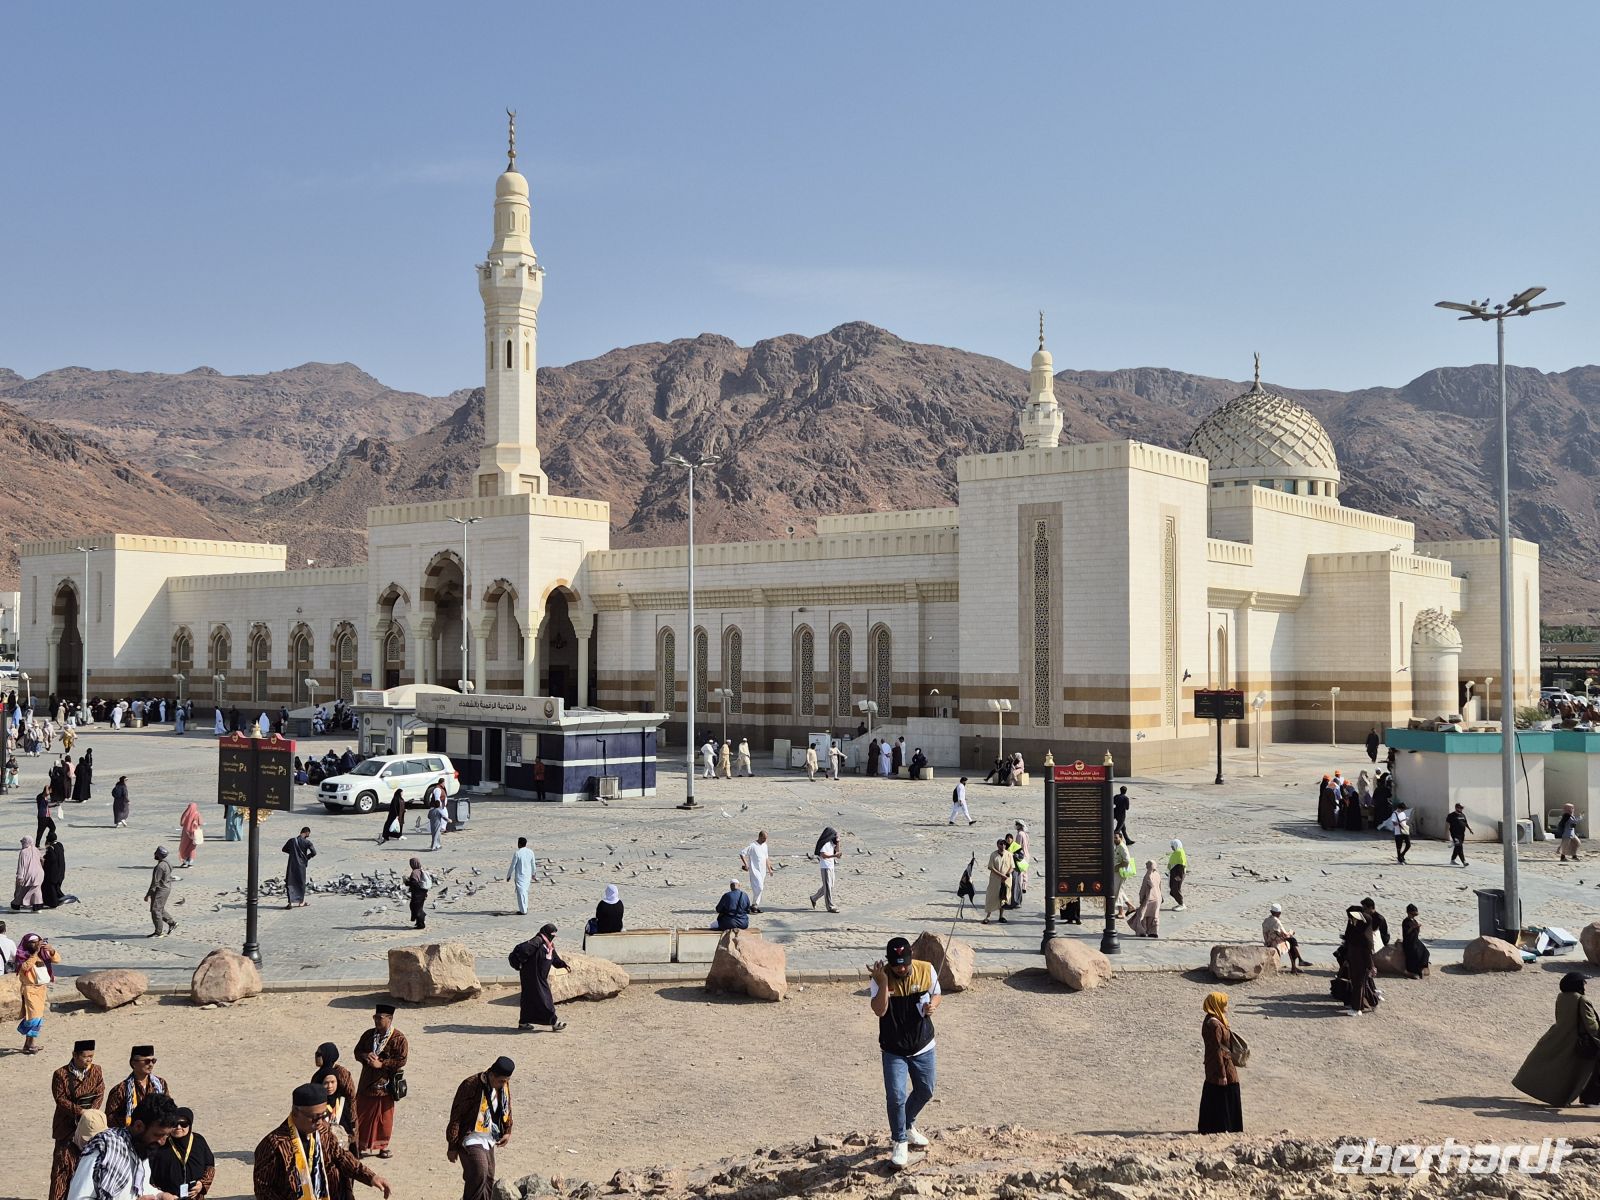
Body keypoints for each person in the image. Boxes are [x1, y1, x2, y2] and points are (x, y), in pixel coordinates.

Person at [869, 936, 941, 1168]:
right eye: (896, 964)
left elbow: (937, 993)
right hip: (893, 1048)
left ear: (912, 957)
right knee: (896, 1096)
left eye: (905, 963)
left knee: (926, 1090)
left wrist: (933, 1006)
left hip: (923, 1044)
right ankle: (899, 1140)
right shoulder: (880, 976)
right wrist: (882, 982)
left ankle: (908, 1125)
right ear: (889, 962)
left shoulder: (926, 969)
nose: (901, 968)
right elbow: (879, 1010)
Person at [254, 1083, 392, 1198]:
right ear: (295, 1112)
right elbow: (263, 1190)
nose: (320, 1122)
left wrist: (371, 1177)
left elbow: (342, 1157)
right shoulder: (274, 1145)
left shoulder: (323, 1131)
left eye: (323, 1115)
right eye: (315, 1117)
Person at [69, 1094, 181, 1200]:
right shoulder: (104, 1149)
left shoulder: (142, 1148)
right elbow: (77, 1197)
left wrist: (160, 1195)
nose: (162, 1142)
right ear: (138, 1126)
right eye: (158, 1135)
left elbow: (139, 1187)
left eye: (166, 1136)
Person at [1512, 973, 1600, 1107]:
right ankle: (1590, 1099)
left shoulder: (1562, 997)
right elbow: (1591, 1024)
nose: (1584, 986)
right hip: (1579, 1041)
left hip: (1559, 1036)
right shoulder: (1582, 1000)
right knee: (1589, 1069)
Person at [446, 1057, 515, 1200]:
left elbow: (506, 1107)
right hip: (470, 1135)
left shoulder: (503, 1086)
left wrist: (507, 1131)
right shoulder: (470, 1085)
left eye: (506, 1081)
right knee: (479, 1171)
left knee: (488, 1177)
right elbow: (456, 1116)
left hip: (489, 1136)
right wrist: (452, 1145)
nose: (504, 1084)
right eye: (501, 1081)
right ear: (492, 1075)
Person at [50, 1040, 105, 1200]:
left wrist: (90, 1114)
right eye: (86, 1056)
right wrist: (81, 1112)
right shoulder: (60, 1074)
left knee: (85, 1169)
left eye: (91, 1056)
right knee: (62, 1169)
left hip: (89, 1128)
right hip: (66, 1127)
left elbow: (100, 1091)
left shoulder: (96, 1070)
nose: (89, 1060)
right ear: (75, 1055)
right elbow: (60, 1099)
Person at [353, 1004, 409, 1159]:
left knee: (384, 1118)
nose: (376, 1021)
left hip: (386, 1085)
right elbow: (357, 1051)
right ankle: (359, 1146)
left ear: (390, 1019)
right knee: (362, 1115)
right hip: (367, 1082)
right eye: (375, 1017)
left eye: (380, 1018)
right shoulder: (368, 1035)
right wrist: (366, 1056)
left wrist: (382, 1064)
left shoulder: (398, 1038)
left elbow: (402, 1060)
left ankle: (383, 1147)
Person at [1198, 992, 1243, 1133]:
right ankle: (1225, 1127)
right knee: (1227, 1091)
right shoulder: (1214, 1025)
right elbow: (1217, 1049)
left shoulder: (1212, 1020)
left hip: (1216, 1063)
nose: (1227, 1007)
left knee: (1215, 1093)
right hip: (1221, 1064)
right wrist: (1222, 1074)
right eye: (1224, 1004)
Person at [148, 1106, 215, 1199]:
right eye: (174, 1124)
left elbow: (209, 1166)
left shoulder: (198, 1141)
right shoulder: (161, 1143)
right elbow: (148, 1174)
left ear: (190, 1125)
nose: (178, 1127)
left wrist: (202, 1184)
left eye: (183, 1124)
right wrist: (161, 1195)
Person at [510, 923, 567, 1033]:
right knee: (545, 998)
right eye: (552, 934)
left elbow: (554, 958)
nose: (553, 937)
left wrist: (563, 965)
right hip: (533, 976)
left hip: (538, 977)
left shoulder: (548, 944)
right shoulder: (537, 942)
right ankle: (554, 1022)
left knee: (528, 999)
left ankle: (523, 1022)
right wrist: (521, 964)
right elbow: (524, 952)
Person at [106, 1045, 171, 1127]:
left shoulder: (161, 1083)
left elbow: (168, 1107)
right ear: (134, 1063)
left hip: (157, 1130)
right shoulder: (120, 1089)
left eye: (153, 1061)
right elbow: (110, 1118)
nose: (151, 1064)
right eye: (147, 1061)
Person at [16, 932, 58, 1052]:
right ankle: (31, 1043)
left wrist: (52, 951)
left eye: (37, 942)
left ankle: (28, 1044)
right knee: (34, 1017)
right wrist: (34, 954)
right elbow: (25, 967)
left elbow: (57, 960)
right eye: (33, 943)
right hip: (30, 989)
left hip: (41, 990)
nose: (36, 944)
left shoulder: (43, 954)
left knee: (37, 1017)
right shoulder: (22, 955)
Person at [1334, 908, 1378, 1015]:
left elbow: (1368, 954)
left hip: (1361, 964)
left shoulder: (1366, 938)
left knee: (1359, 985)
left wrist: (1371, 967)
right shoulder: (1356, 934)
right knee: (1358, 984)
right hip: (1354, 962)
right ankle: (1369, 1003)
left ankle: (1357, 1008)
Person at [314, 1042, 358, 1141]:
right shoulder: (319, 1074)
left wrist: (352, 1120)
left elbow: (351, 1096)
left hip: (342, 1113)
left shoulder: (342, 1073)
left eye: (319, 1054)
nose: (316, 1057)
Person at [1262, 903, 1309, 972]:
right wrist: (1291, 932)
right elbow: (1285, 935)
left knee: (1291, 941)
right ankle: (1297, 964)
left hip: (1268, 942)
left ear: (1271, 911)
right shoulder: (1276, 921)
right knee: (1292, 942)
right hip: (1275, 943)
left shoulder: (1266, 920)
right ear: (1279, 913)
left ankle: (1299, 962)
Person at [144, 847, 177, 938]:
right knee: (159, 909)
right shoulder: (168, 863)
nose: (154, 854)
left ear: (159, 855)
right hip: (166, 888)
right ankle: (172, 923)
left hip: (160, 890)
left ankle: (158, 932)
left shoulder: (160, 866)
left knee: (155, 910)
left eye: (156, 853)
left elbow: (155, 882)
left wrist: (148, 895)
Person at [809, 827, 841, 912]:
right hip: (825, 867)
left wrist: (838, 841)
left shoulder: (831, 843)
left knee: (830, 886)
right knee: (828, 887)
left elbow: (837, 851)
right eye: (834, 834)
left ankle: (814, 898)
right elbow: (823, 855)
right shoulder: (824, 843)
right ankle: (830, 906)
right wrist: (834, 856)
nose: (835, 836)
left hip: (831, 866)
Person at [981, 837, 1012, 924]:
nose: (1003, 845)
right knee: (992, 897)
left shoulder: (1009, 854)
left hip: (1006, 880)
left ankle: (1001, 916)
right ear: (997, 845)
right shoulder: (993, 855)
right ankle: (987, 916)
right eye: (1001, 844)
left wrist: (1007, 874)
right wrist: (1001, 875)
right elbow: (991, 867)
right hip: (995, 880)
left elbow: (1012, 866)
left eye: (1004, 844)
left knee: (1003, 898)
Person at [282, 828, 316, 908]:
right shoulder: (307, 842)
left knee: (290, 882)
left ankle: (290, 903)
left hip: (292, 864)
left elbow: (284, 849)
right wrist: (306, 857)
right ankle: (301, 902)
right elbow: (314, 852)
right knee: (301, 882)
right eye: (308, 834)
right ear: (307, 832)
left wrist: (293, 853)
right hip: (301, 865)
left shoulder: (291, 840)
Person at [1128, 860, 1162, 937]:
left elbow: (1144, 888)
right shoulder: (1157, 874)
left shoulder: (1148, 875)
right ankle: (1153, 931)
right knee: (1154, 915)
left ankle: (1141, 931)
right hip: (1157, 898)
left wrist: (1141, 897)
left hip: (1148, 898)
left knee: (1142, 915)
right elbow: (1160, 886)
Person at [739, 832, 769, 912]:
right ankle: (754, 905)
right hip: (754, 870)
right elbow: (742, 853)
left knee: (759, 888)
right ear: (760, 837)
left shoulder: (765, 845)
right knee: (760, 887)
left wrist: (769, 868)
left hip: (763, 870)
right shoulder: (752, 845)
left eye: (766, 838)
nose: (765, 840)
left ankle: (755, 905)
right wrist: (746, 864)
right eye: (764, 838)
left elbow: (766, 857)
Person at [13, 836, 45, 911]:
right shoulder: (36, 849)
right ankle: (37, 907)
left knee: (23, 890)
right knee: (37, 890)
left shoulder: (23, 852)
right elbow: (42, 860)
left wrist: (20, 876)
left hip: (29, 873)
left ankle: (16, 905)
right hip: (39, 873)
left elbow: (21, 865)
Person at [506, 838, 536, 916]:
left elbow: (513, 865)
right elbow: (533, 864)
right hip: (528, 876)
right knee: (525, 892)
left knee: (521, 893)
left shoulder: (517, 853)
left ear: (519, 844)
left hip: (520, 876)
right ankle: (525, 908)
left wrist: (509, 875)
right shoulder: (530, 852)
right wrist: (533, 873)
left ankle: (523, 910)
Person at [1401, 904, 1430, 979]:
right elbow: (1406, 932)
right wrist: (1413, 927)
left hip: (1415, 940)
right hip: (1408, 942)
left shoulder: (1414, 921)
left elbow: (1417, 932)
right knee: (1415, 953)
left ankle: (1422, 968)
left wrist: (1417, 928)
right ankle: (1413, 971)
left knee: (1425, 952)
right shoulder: (1406, 921)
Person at [1112, 832, 1134, 917]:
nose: (1114, 839)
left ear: (1121, 838)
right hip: (1117, 872)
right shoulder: (1117, 846)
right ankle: (1130, 906)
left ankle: (1121, 912)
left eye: (1116, 838)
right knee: (1119, 890)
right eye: (1113, 838)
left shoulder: (1122, 847)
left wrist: (1117, 867)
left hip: (1121, 872)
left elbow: (1127, 861)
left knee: (1117, 891)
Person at [42, 832, 67, 908]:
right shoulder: (60, 845)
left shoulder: (51, 848)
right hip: (61, 870)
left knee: (51, 888)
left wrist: (44, 859)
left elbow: (52, 859)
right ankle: (61, 898)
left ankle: (53, 903)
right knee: (56, 887)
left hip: (53, 872)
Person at [404, 858, 429, 930]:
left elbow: (414, 883)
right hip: (423, 892)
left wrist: (406, 882)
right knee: (418, 907)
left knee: (415, 908)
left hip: (417, 893)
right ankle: (419, 922)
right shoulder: (421, 870)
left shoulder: (415, 872)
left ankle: (421, 924)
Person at [1010, 822, 1030, 906]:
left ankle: (1020, 889)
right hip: (1026, 855)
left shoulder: (1019, 835)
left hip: (1021, 856)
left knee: (1020, 874)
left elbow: (1017, 846)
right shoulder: (1026, 834)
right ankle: (1024, 886)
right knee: (1025, 872)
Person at [177, 803, 204, 868]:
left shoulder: (186, 813)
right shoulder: (197, 813)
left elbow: (182, 823)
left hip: (186, 833)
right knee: (192, 848)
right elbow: (201, 823)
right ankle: (190, 862)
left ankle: (184, 861)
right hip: (194, 834)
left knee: (184, 847)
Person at [1446, 802, 1473, 867]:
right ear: (1456, 808)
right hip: (1455, 834)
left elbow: (1465, 823)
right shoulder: (1451, 815)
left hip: (1461, 834)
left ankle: (1452, 860)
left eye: (1462, 808)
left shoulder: (1463, 815)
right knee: (1460, 847)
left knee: (1457, 846)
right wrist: (1446, 833)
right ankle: (1464, 862)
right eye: (1460, 808)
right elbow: (1447, 824)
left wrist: (1470, 829)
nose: (1461, 809)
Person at [1167, 838, 1187, 911]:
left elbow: (1181, 865)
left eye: (1172, 846)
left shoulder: (1179, 853)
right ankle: (1180, 903)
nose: (1171, 847)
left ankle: (1182, 904)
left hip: (1178, 875)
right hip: (1174, 873)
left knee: (1176, 889)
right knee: (1173, 889)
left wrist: (1178, 876)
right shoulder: (1176, 852)